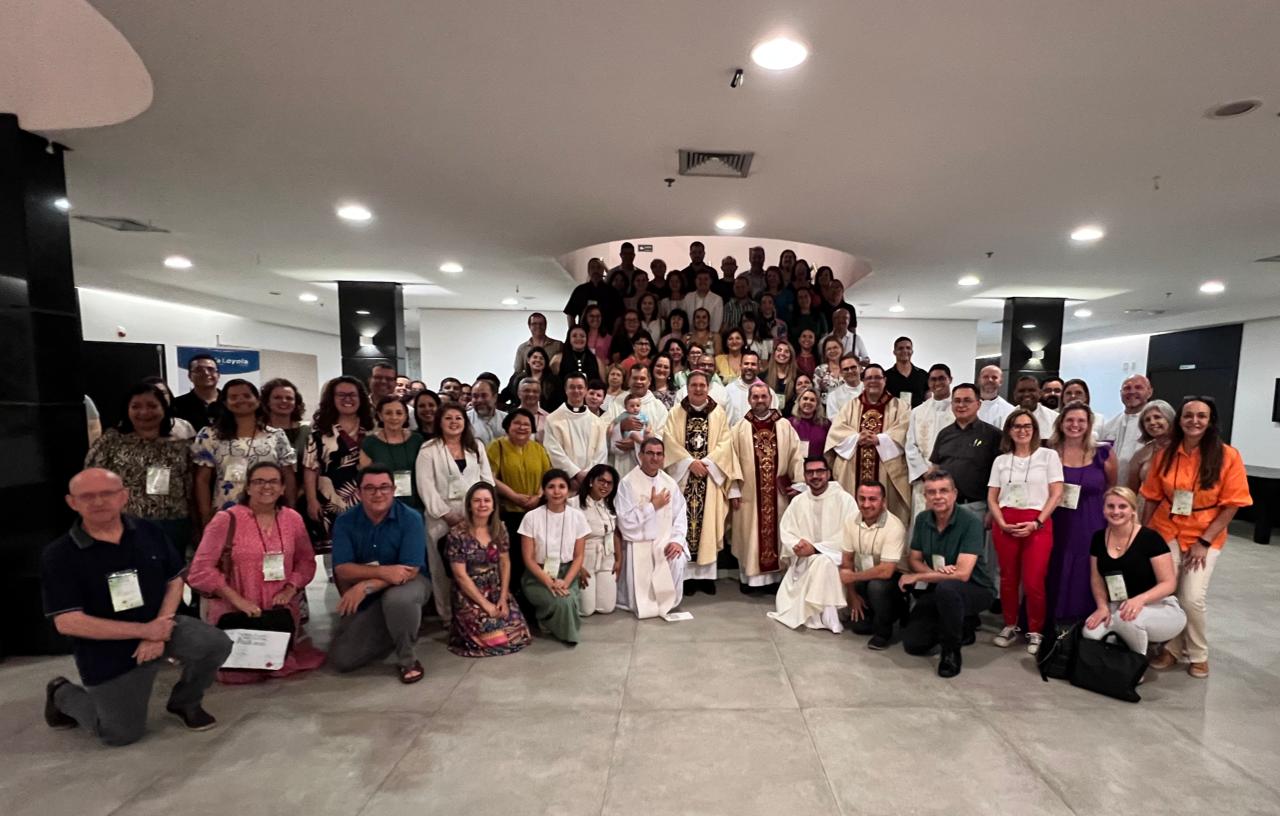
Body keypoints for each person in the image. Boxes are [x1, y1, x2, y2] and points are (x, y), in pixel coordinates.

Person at [41, 468, 232, 745]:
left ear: (124, 496)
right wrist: (146, 631)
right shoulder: (59, 555)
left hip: (161, 625)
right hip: (106, 647)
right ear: (72, 502)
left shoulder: (149, 531)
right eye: (87, 496)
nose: (98, 502)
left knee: (215, 643)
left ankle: (185, 701)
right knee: (119, 734)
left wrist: (159, 628)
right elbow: (68, 622)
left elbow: (175, 580)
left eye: (107, 493)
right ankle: (61, 693)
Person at [1143, 398, 1251, 678]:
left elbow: (1233, 505)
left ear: (1211, 420)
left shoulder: (1228, 456)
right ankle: (1172, 649)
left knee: (1191, 597)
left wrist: (1204, 542)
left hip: (1205, 533)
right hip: (1166, 528)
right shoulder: (1165, 454)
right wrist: (1144, 534)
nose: (1194, 421)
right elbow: (1152, 496)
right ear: (1179, 420)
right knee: (1168, 592)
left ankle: (1198, 653)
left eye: (1201, 416)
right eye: (1188, 415)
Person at [187, 462, 324, 683]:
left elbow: (305, 561)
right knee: (239, 671)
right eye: (259, 481)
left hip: (279, 611)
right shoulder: (226, 520)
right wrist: (237, 600)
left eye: (273, 482)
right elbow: (200, 570)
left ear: (283, 488)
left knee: (277, 662)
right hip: (236, 611)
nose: (266, 487)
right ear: (248, 487)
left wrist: (290, 589)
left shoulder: (293, 519)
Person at [328, 466, 429, 683]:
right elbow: (342, 568)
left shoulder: (411, 518)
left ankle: (408, 659)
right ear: (359, 492)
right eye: (370, 488)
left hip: (409, 584)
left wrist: (365, 585)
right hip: (370, 592)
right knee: (343, 659)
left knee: (398, 600)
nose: (378, 493)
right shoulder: (345, 522)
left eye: (384, 487)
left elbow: (409, 570)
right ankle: (397, 627)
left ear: (393, 489)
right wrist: (384, 572)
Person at [899, 470, 996, 678]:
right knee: (914, 644)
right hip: (940, 586)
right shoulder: (923, 519)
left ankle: (951, 652)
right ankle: (962, 623)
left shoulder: (970, 522)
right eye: (931, 492)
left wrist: (919, 577)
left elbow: (962, 575)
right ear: (925, 496)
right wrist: (934, 573)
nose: (938, 496)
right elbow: (914, 559)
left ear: (954, 494)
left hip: (976, 588)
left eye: (943, 491)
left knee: (948, 589)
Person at [987, 409, 1064, 654]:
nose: (1022, 430)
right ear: (1009, 431)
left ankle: (1035, 630)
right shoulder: (1001, 461)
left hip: (1037, 523)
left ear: (1035, 430)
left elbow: (1056, 494)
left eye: (1027, 426)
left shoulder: (1048, 456)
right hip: (1006, 522)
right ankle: (1010, 624)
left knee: (1033, 580)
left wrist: (1037, 522)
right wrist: (1000, 521)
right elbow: (992, 496)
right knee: (1008, 578)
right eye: (1017, 426)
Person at [85, 383, 194, 552]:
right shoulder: (111, 441)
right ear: (127, 410)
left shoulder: (182, 446)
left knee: (171, 568)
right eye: (136, 406)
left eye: (152, 406)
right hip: (124, 522)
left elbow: (191, 488)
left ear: (164, 408)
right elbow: (91, 479)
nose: (144, 412)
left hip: (172, 524)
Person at [1084, 487, 1186, 657]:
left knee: (1128, 621)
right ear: (1103, 509)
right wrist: (1102, 606)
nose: (1116, 511)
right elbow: (1097, 579)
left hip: (1158, 606)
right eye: (1110, 506)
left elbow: (1169, 583)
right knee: (1090, 633)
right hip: (1119, 605)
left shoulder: (1151, 538)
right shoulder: (1098, 538)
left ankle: (1135, 665)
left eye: (1122, 506)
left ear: (1133, 510)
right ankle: (1118, 651)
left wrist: (1140, 600)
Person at [417, 404, 496, 621]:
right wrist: (446, 514)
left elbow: (487, 480)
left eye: (458, 418)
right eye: (448, 418)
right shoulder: (429, 449)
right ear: (439, 422)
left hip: (475, 516)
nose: (454, 422)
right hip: (441, 518)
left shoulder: (476, 446)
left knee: (474, 568)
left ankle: (474, 613)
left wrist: (481, 513)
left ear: (465, 422)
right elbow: (425, 486)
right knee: (442, 569)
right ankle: (447, 616)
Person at [727, 382, 806, 592]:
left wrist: (798, 483)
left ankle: (774, 580)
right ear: (749, 400)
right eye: (755, 397)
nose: (760, 400)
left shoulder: (783, 425)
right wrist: (733, 489)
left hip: (778, 494)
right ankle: (749, 580)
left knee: (778, 534)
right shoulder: (740, 427)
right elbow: (730, 460)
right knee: (750, 536)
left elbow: (796, 455)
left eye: (764, 396)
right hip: (749, 495)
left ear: (771, 399)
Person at [662, 371, 734, 595]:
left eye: (702, 385)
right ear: (687, 387)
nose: (698, 389)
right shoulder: (676, 412)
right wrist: (688, 463)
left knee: (707, 527)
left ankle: (706, 578)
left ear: (708, 387)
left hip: (709, 478)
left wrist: (707, 463)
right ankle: (686, 578)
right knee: (684, 524)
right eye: (694, 385)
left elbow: (726, 443)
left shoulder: (718, 413)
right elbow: (668, 441)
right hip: (684, 479)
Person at [192, 379, 297, 526]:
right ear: (225, 403)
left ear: (258, 400)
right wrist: (205, 515)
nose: (241, 400)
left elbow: (288, 476)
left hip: (269, 509)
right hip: (225, 511)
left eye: (247, 396)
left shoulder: (276, 436)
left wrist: (290, 510)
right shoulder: (209, 435)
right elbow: (202, 479)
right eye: (234, 397)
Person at [444, 482, 532, 657]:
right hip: (470, 594)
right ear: (469, 505)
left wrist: (503, 597)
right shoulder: (457, 534)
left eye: (487, 500)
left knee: (520, 634)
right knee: (497, 639)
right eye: (477, 501)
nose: (482, 505)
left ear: (493, 505)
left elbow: (505, 563)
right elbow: (460, 576)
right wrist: (486, 605)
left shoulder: (500, 529)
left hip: (495, 589)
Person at [1048, 402, 1116, 627]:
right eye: (1070, 420)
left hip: (1091, 521)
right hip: (1056, 519)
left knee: (1087, 567)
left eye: (1081, 421)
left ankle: (1082, 621)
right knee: (1053, 565)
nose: (1074, 425)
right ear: (1061, 423)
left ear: (1089, 424)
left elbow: (1111, 488)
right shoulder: (1049, 452)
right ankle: (1050, 621)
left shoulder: (1103, 453)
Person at [769, 457, 856, 633]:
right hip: (804, 562)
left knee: (824, 561)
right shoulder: (798, 501)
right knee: (821, 562)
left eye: (820, 471)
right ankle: (826, 617)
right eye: (810, 472)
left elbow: (850, 534)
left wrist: (816, 549)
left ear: (828, 474)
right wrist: (797, 546)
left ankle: (826, 616)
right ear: (805, 476)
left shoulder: (844, 499)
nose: (815, 476)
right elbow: (787, 531)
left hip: (838, 559)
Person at [826, 364, 912, 527]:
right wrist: (857, 438)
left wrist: (880, 439)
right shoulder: (850, 406)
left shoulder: (900, 406)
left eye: (877, 377)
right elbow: (836, 432)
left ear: (885, 380)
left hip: (886, 470)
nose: (873, 381)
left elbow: (904, 430)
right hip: (853, 470)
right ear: (863, 381)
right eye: (869, 378)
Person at [616, 438, 691, 618]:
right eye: (649, 453)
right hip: (638, 542)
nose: (654, 458)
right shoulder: (628, 483)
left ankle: (668, 603)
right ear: (640, 455)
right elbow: (624, 521)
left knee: (677, 558)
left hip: (664, 541)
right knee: (639, 590)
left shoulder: (669, 483)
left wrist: (677, 541)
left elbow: (680, 515)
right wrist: (652, 506)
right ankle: (646, 603)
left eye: (659, 454)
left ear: (664, 457)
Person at [303, 376, 374, 552]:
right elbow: (310, 468)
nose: (347, 399)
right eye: (341, 395)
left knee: (368, 551)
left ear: (361, 398)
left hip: (369, 501)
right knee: (335, 554)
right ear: (332, 399)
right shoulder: (320, 433)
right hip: (329, 503)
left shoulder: (372, 430)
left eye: (352, 395)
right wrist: (311, 500)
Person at [519, 470, 589, 643]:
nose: (557, 492)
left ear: (568, 490)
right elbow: (528, 559)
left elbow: (578, 556)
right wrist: (548, 581)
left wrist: (565, 581)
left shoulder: (577, 517)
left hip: (567, 573)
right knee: (562, 603)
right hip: (537, 575)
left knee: (567, 601)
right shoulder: (531, 517)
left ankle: (549, 621)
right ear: (543, 490)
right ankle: (548, 621)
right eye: (551, 487)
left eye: (561, 487)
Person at [841, 482, 911, 649]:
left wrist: (853, 577)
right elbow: (847, 561)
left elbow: (886, 571)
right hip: (864, 577)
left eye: (872, 499)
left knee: (877, 587)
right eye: (862, 498)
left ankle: (884, 631)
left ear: (883, 501)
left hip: (894, 580)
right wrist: (852, 596)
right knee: (859, 627)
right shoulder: (850, 521)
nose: (866, 504)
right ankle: (882, 614)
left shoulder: (894, 526)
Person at [929, 383, 1003, 517]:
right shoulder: (944, 434)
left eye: (967, 400)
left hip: (978, 507)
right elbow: (935, 469)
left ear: (978, 404)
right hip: (944, 506)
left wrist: (993, 510)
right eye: (957, 401)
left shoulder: (994, 435)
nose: (961, 405)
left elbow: (1001, 475)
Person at [904, 365, 955, 532]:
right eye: (933, 379)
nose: (937, 382)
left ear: (950, 380)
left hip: (950, 477)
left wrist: (943, 474)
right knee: (923, 524)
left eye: (942, 378)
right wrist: (925, 472)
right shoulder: (918, 411)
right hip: (924, 479)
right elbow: (910, 445)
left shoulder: (958, 410)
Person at [359, 394, 426, 511]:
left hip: (416, 504)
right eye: (388, 413)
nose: (394, 417)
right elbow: (366, 479)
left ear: (405, 416)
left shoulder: (417, 440)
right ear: (380, 415)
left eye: (399, 413)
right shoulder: (369, 443)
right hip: (382, 505)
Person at [543, 373, 608, 490]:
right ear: (565, 390)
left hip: (591, 482)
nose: (576, 391)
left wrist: (589, 476)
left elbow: (601, 453)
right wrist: (575, 474)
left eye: (580, 387)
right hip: (566, 481)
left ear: (586, 390)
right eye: (572, 387)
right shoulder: (552, 419)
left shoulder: (597, 422)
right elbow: (553, 451)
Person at [604, 365, 668, 476]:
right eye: (635, 378)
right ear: (629, 381)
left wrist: (636, 444)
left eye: (642, 378)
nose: (638, 382)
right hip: (622, 464)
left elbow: (664, 436)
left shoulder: (658, 407)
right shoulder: (617, 402)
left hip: (648, 467)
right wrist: (621, 427)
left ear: (649, 381)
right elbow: (603, 429)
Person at [577, 465, 623, 616]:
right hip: (584, 559)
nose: (605, 486)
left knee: (607, 608)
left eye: (609, 483)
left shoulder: (609, 504)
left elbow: (615, 533)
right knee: (586, 610)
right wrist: (576, 567)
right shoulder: (574, 504)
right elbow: (566, 539)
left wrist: (618, 560)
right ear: (591, 481)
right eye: (601, 481)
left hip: (606, 557)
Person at [1101, 375, 1155, 485]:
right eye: (1127, 388)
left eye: (1138, 387)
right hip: (1111, 489)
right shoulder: (1109, 426)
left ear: (1149, 392)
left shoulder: (1154, 426)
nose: (1132, 392)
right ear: (1120, 393)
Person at [1127, 399, 1176, 495]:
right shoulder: (1140, 454)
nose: (1152, 422)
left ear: (1170, 419)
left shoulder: (1185, 447)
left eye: (1157, 417)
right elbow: (1131, 492)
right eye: (1147, 420)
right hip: (1145, 503)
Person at [564, 257, 623, 332]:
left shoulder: (612, 292)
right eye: (592, 267)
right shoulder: (580, 290)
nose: (596, 270)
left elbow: (619, 316)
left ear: (602, 270)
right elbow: (570, 314)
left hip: (607, 334)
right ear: (588, 270)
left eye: (598, 267)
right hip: (584, 334)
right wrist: (574, 332)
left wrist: (614, 334)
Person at [262, 377, 310, 467]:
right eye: (277, 397)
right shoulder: (259, 432)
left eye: (289, 398)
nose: (284, 401)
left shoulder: (307, 431)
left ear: (296, 403)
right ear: (267, 401)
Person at [170, 354, 222, 431]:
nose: (206, 373)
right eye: (199, 370)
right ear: (189, 376)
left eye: (210, 369)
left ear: (218, 375)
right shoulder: (176, 405)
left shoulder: (231, 402)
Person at [502, 348, 558, 414]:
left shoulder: (554, 381)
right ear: (528, 360)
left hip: (546, 415)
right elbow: (506, 396)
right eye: (535, 357)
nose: (538, 360)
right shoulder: (517, 378)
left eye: (541, 358)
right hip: (520, 414)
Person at [720, 349, 762, 427]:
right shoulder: (728, 390)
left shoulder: (767, 392)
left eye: (753, 364)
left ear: (758, 367)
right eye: (746, 363)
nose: (749, 367)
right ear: (740, 366)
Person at [884, 336, 930, 407]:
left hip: (918, 414)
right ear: (894, 352)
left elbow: (929, 401)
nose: (905, 351)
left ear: (912, 351)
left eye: (908, 348)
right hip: (894, 413)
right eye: (900, 348)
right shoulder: (886, 376)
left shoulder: (923, 375)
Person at [1012, 375, 1058, 441]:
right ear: (1015, 394)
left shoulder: (1054, 418)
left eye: (1031, 390)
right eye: (1021, 391)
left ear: (1040, 393)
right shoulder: (1006, 416)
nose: (1026, 394)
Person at [788, 387, 830, 459]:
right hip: (794, 464)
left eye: (812, 400)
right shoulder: (788, 423)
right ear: (799, 401)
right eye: (805, 398)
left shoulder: (826, 424)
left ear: (817, 405)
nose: (808, 402)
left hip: (818, 464)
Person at [681, 270, 725, 334]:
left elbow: (716, 323)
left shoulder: (717, 299)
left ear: (711, 281)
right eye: (700, 279)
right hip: (690, 335)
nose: (702, 282)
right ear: (695, 281)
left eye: (706, 279)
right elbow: (684, 319)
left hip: (710, 336)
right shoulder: (688, 297)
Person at [467, 379, 507, 447]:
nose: (479, 400)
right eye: (475, 396)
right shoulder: (465, 420)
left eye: (484, 396)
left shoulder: (507, 419)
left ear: (495, 397)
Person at [823, 353, 863, 418]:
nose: (850, 371)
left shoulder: (870, 390)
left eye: (853, 367)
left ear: (861, 369)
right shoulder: (833, 397)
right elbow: (835, 420)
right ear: (841, 373)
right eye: (846, 369)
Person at [977, 365, 1015, 429]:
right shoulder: (968, 406)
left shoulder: (1010, 410)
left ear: (1001, 382)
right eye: (986, 377)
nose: (990, 380)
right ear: (979, 380)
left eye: (994, 377)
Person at [763, 339, 798, 409]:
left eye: (786, 351)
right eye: (779, 350)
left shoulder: (797, 377)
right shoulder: (762, 376)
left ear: (791, 356)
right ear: (774, 354)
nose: (782, 353)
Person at [582, 304, 613, 369]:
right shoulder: (580, 335)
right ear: (586, 317)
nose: (595, 318)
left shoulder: (608, 338)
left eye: (598, 316)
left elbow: (612, 359)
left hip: (602, 370)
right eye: (592, 316)